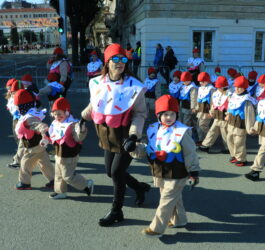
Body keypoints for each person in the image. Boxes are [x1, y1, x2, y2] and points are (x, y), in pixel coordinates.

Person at [81, 43, 150, 227]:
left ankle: (116, 210)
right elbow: (94, 104)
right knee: (109, 171)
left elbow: (140, 114)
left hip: (126, 136)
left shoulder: (133, 86)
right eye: (116, 59)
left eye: (124, 59)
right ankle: (139, 187)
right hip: (106, 133)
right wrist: (82, 118)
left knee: (116, 172)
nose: (120, 63)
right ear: (107, 61)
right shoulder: (97, 82)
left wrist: (134, 136)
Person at [130, 95, 200, 238]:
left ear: (177, 114)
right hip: (160, 170)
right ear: (158, 115)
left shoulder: (182, 131)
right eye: (165, 114)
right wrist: (134, 148)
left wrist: (194, 172)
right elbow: (148, 149)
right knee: (172, 197)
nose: (169, 117)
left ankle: (156, 228)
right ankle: (179, 220)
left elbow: (190, 153)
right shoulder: (153, 129)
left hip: (178, 171)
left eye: (172, 114)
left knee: (166, 200)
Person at [42, 97, 94, 199]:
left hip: (69, 155)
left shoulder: (72, 124)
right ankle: (60, 191)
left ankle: (86, 184)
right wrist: (45, 140)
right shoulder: (55, 123)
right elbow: (50, 134)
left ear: (66, 112)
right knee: (58, 175)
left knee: (68, 177)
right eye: (55, 114)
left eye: (60, 114)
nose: (57, 116)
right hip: (59, 154)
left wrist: (82, 130)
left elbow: (78, 138)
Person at [13, 89, 55, 190]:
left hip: (33, 147)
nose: (17, 109)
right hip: (39, 146)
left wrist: (45, 132)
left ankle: (25, 183)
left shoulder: (29, 118)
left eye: (18, 107)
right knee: (45, 164)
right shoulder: (31, 114)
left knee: (25, 164)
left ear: (22, 106)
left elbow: (40, 126)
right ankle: (55, 180)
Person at [226, 76, 256, 167]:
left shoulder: (247, 100)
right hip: (231, 122)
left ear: (245, 88)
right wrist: (227, 115)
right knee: (229, 139)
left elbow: (250, 114)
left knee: (239, 141)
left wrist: (250, 127)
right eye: (236, 87)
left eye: (240, 87)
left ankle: (241, 158)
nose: (237, 89)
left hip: (240, 123)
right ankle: (234, 155)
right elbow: (230, 106)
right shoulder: (233, 95)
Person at [199, 76, 230, 153]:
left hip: (224, 116)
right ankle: (206, 145)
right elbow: (213, 104)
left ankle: (228, 148)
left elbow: (231, 106)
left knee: (225, 133)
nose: (218, 88)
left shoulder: (229, 94)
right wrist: (211, 111)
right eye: (217, 87)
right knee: (212, 131)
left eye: (220, 87)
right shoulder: (216, 93)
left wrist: (229, 114)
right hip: (217, 115)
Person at [179, 71, 200, 144]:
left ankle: (189, 138)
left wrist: (193, 107)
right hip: (184, 107)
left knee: (187, 123)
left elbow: (194, 98)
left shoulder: (193, 88)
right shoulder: (184, 86)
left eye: (184, 81)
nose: (183, 82)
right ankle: (190, 137)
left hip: (190, 109)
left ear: (189, 80)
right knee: (186, 122)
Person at [196, 72, 215, 144]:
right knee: (198, 125)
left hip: (207, 110)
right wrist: (196, 107)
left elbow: (213, 101)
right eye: (200, 81)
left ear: (207, 81)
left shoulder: (211, 89)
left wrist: (212, 111)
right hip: (200, 110)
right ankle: (201, 139)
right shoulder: (200, 88)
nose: (200, 83)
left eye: (202, 81)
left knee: (203, 125)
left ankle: (210, 139)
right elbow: (198, 99)